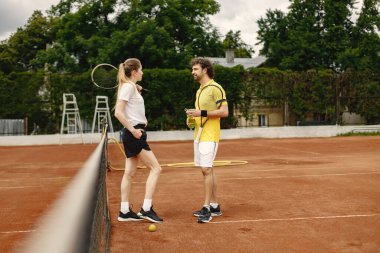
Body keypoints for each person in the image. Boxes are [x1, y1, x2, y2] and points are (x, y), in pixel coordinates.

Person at [114, 58, 163, 223]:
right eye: (141, 69)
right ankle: (146, 209)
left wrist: (137, 89)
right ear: (134, 71)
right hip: (134, 134)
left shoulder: (130, 87)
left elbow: (132, 107)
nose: (143, 72)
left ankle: (124, 211)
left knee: (129, 173)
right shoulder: (128, 87)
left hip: (134, 133)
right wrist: (134, 130)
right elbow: (118, 112)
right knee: (156, 168)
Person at [185, 57, 229, 223]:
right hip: (199, 133)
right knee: (208, 169)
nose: (193, 72)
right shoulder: (200, 90)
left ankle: (206, 208)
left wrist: (201, 113)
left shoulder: (216, 88)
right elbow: (200, 113)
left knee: (206, 169)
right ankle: (215, 205)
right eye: (193, 69)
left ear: (205, 70)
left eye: (195, 69)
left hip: (210, 134)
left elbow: (224, 112)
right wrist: (192, 119)